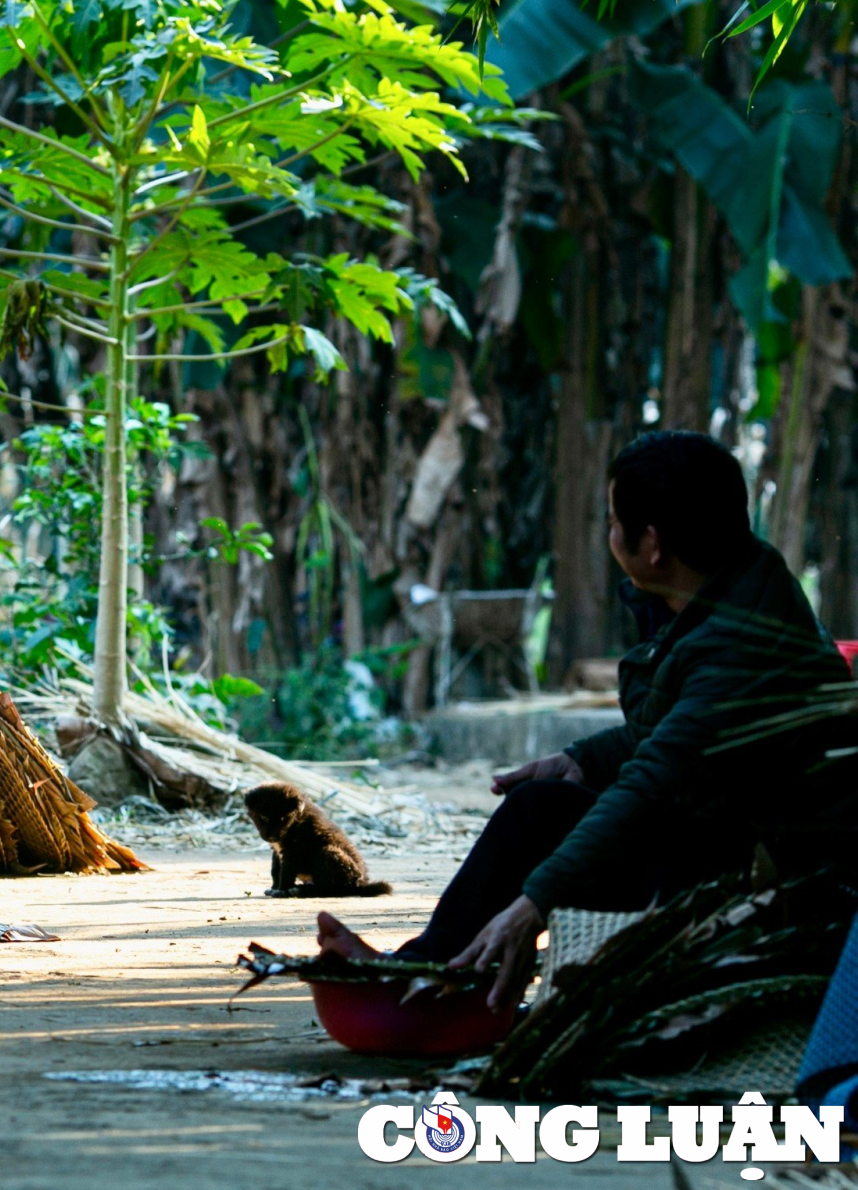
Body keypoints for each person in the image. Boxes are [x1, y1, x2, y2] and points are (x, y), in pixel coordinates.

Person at [318, 430, 857, 1007]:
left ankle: (439, 974)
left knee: (547, 816)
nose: (607, 534)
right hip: (735, 831)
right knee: (542, 803)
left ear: (651, 544)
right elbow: (680, 733)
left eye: (610, 519)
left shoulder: (739, 639)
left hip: (776, 876)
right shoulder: (738, 584)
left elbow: (654, 782)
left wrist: (535, 904)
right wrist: (580, 759)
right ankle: (437, 963)